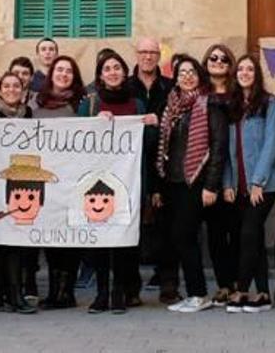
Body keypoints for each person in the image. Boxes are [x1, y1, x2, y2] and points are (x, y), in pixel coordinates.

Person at [78, 51, 156, 314]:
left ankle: (120, 291)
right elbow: (76, 141)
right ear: (100, 75)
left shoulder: (137, 104)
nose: (112, 72)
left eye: (117, 67)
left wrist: (150, 126)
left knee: (125, 240)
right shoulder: (89, 104)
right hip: (97, 184)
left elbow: (146, 146)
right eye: (107, 69)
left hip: (129, 183)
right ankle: (101, 293)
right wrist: (94, 125)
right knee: (100, 239)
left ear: (124, 72)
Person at [156, 55, 227, 313]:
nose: (187, 76)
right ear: (175, 78)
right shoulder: (171, 106)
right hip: (174, 182)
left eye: (192, 72)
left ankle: (198, 294)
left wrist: (211, 185)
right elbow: (166, 147)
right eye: (182, 72)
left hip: (197, 182)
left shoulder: (209, 104)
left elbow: (219, 147)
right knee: (180, 237)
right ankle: (194, 292)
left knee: (184, 236)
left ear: (200, 76)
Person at [220, 55, 275, 314]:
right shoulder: (232, 105)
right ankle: (264, 295)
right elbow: (225, 149)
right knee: (254, 238)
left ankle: (243, 289)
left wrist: (258, 181)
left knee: (249, 231)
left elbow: (272, 142)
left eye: (250, 69)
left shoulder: (269, 103)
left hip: (265, 183)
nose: (245, 73)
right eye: (241, 69)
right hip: (239, 183)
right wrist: (227, 182)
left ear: (256, 74)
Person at [0, 73, 39, 314]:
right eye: (7, 86)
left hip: (20, 184)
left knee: (15, 241)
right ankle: (3, 294)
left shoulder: (28, 114)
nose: (12, 89)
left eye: (16, 86)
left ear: (23, 91)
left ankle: (13, 293)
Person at [31, 55, 86, 309]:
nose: (64, 74)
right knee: (51, 235)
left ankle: (68, 292)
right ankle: (54, 291)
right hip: (45, 179)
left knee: (71, 236)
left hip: (73, 178)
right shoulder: (36, 103)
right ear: (51, 73)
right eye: (60, 70)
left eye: (69, 71)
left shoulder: (82, 103)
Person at [128, 38, 175, 304]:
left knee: (167, 229)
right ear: (137, 55)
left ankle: (168, 284)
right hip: (131, 167)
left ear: (159, 56)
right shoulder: (125, 85)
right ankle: (131, 288)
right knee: (132, 228)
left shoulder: (169, 87)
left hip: (166, 166)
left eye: (152, 52)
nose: (147, 56)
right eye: (143, 52)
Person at [201, 44, 240, 307]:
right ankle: (223, 284)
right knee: (215, 234)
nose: (218, 61)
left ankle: (238, 282)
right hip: (207, 175)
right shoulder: (200, 95)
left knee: (236, 231)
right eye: (213, 57)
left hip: (237, 173)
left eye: (223, 58)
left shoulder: (239, 95)